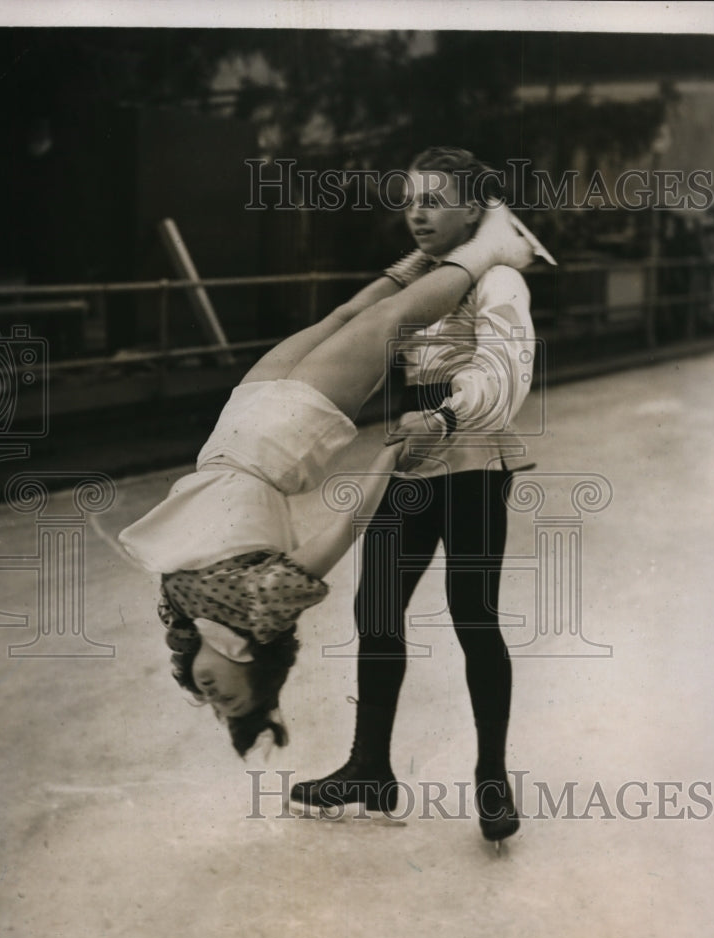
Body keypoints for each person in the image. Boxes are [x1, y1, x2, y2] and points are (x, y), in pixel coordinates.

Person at [119, 194, 537, 758]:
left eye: (214, 706)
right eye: (236, 704)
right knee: (392, 320)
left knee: (339, 318)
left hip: (234, 429)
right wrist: (390, 458)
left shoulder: (183, 616)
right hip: (283, 441)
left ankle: (419, 262)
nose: (214, 698)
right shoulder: (265, 611)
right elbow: (344, 527)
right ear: (263, 679)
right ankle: (494, 244)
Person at [290, 147, 541, 847]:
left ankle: (492, 778)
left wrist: (445, 415)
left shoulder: (496, 281)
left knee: (473, 618)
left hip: (469, 458)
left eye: (435, 199)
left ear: (474, 209)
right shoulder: (424, 278)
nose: (418, 212)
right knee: (376, 608)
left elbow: (505, 367)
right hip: (408, 460)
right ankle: (370, 767)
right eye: (410, 200)